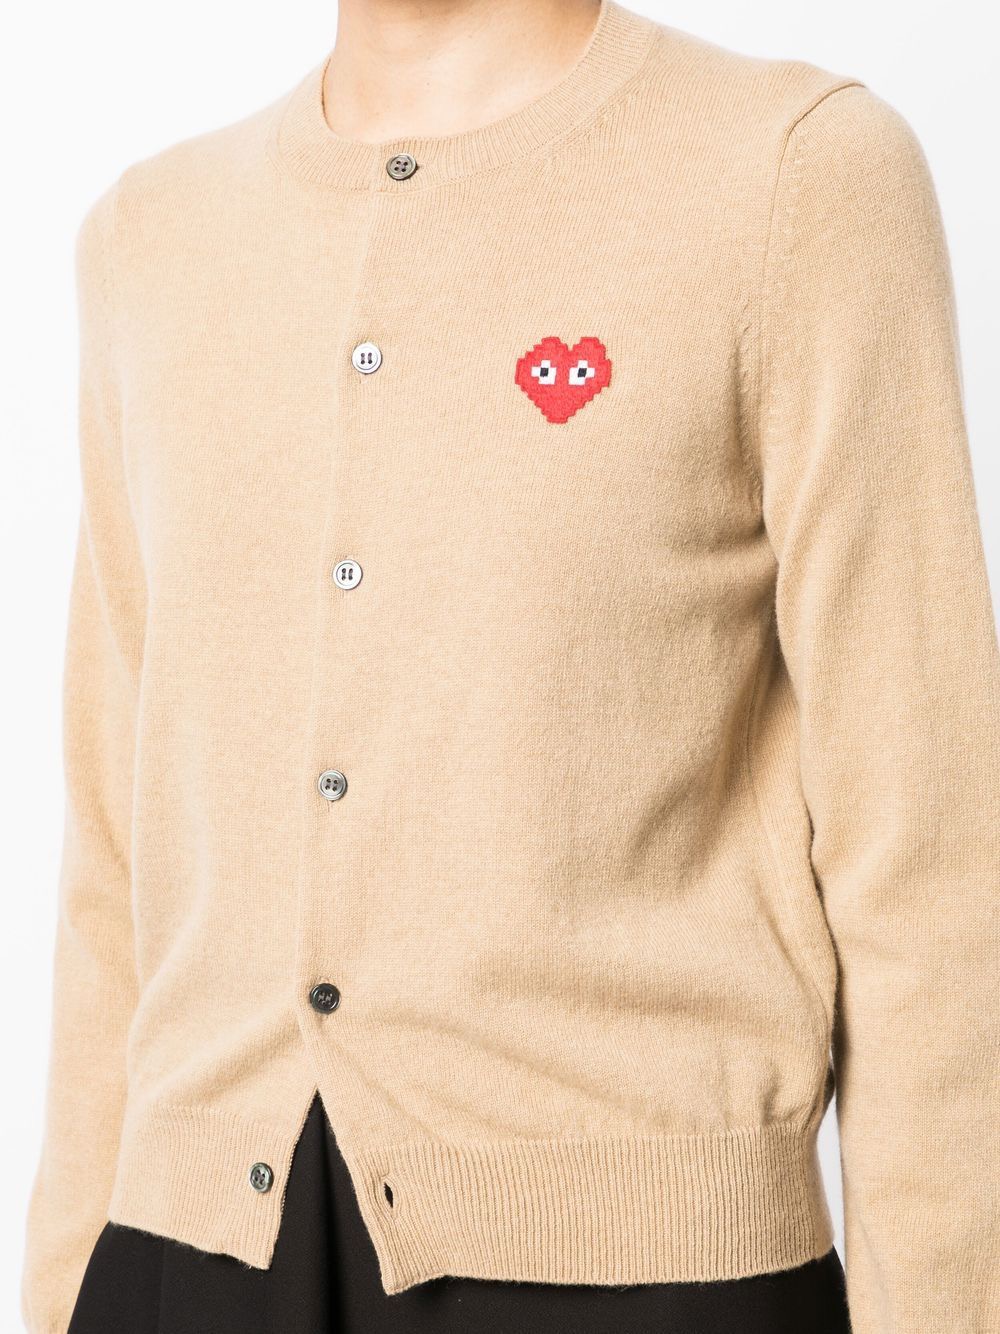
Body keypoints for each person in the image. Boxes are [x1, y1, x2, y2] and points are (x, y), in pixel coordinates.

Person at [21, 0, 999, 1331]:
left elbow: (930, 854)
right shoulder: (148, 236)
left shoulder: (792, 171)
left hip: (645, 1271)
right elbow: (113, 855)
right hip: (187, 1257)